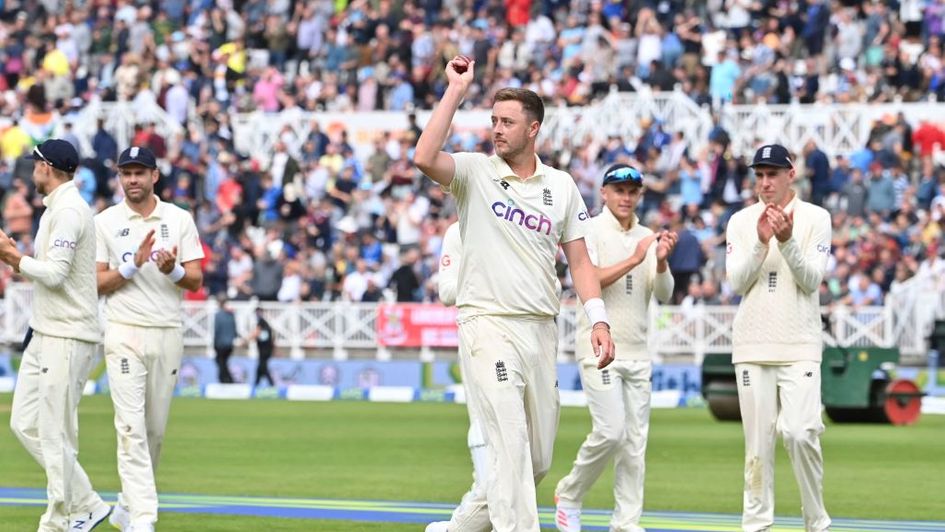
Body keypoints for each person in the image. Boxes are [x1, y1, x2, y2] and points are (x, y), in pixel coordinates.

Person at [414, 55, 615, 531]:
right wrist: (455, 91)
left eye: (507, 122)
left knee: (533, 461)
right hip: (488, 324)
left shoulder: (561, 186)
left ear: (534, 130)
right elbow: (423, 158)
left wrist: (600, 320)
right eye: (493, 121)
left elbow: (580, 262)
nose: (497, 130)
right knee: (510, 442)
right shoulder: (475, 173)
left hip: (540, 329)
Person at [554, 164, 678, 532]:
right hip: (598, 346)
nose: (625, 197)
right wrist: (635, 259)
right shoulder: (588, 231)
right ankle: (570, 492)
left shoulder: (647, 236)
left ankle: (626, 522)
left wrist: (661, 261)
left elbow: (664, 294)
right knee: (611, 431)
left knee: (634, 444)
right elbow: (587, 280)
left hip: (638, 349)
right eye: (618, 190)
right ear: (604, 193)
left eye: (632, 191)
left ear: (639, 195)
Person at [0, 139, 111, 531]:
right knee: (25, 423)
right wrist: (20, 261)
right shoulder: (54, 210)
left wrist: (15, 259)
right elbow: (48, 271)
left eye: (36, 163)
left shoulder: (69, 211)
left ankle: (60, 520)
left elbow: (57, 273)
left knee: (56, 430)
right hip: (46, 331)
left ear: (49, 167)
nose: (32, 169)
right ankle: (89, 503)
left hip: (69, 333)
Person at [93, 146, 204, 532]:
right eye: (126, 174)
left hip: (167, 331)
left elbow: (195, 280)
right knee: (130, 427)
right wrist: (132, 265)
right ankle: (143, 519)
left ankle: (127, 506)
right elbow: (97, 283)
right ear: (119, 178)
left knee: (153, 430)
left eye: (140, 173)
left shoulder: (178, 219)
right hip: (123, 330)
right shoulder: (105, 222)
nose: (133, 180)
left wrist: (172, 271)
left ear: (155, 176)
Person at [726, 144, 832, 532]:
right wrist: (760, 241)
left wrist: (786, 241)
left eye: (772, 174)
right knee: (757, 447)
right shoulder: (740, 220)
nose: (765, 182)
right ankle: (756, 525)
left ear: (791, 174)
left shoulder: (816, 218)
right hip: (752, 344)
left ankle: (816, 521)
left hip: (799, 343)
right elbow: (737, 282)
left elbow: (811, 281)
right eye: (759, 175)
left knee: (801, 433)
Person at [425, 222, 489, 532]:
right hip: (479, 332)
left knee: (531, 454)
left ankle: (459, 527)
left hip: (528, 334)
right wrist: (485, 275)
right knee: (487, 426)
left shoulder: (521, 217)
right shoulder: (458, 231)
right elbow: (446, 291)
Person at [213, 293, 238, 384]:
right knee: (223, 362)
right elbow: (235, 329)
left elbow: (217, 330)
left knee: (221, 362)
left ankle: (226, 380)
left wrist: (214, 344)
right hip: (229, 344)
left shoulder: (218, 315)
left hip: (221, 344)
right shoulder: (231, 315)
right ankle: (226, 379)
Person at [250, 307, 276, 387]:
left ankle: (271, 384)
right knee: (261, 367)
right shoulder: (265, 323)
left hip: (265, 349)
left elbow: (256, 333)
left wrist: (245, 341)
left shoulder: (261, 322)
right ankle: (257, 383)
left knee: (263, 367)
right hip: (265, 349)